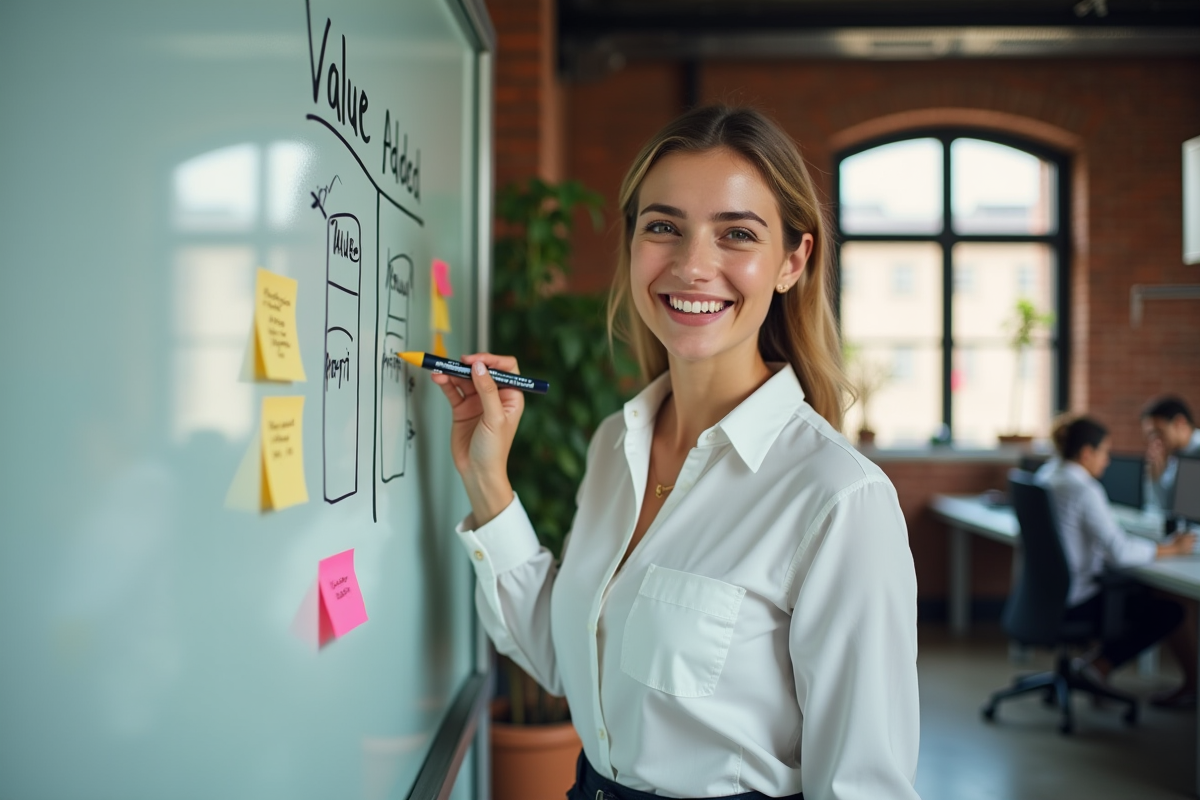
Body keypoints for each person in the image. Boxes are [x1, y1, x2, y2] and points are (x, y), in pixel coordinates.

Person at [432, 106, 920, 800]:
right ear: (633, 245)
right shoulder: (613, 444)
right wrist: (487, 479)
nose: (693, 266)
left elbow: (865, 786)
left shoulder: (838, 497)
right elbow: (571, 662)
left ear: (792, 261)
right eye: (663, 227)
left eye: (736, 235)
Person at [1037, 416, 1197, 705]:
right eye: (1104, 452)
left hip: (1048, 598)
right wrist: (1171, 550)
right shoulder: (1084, 489)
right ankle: (1099, 667)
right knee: (1172, 609)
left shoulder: (1048, 475)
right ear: (1086, 453)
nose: (1108, 461)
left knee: (1144, 591)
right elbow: (1120, 552)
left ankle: (1093, 667)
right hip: (1078, 601)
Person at [1142, 395, 1200, 514]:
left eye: (1159, 433)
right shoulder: (1174, 457)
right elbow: (1166, 508)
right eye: (1151, 436)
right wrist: (1156, 479)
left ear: (1180, 423)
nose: (1156, 441)